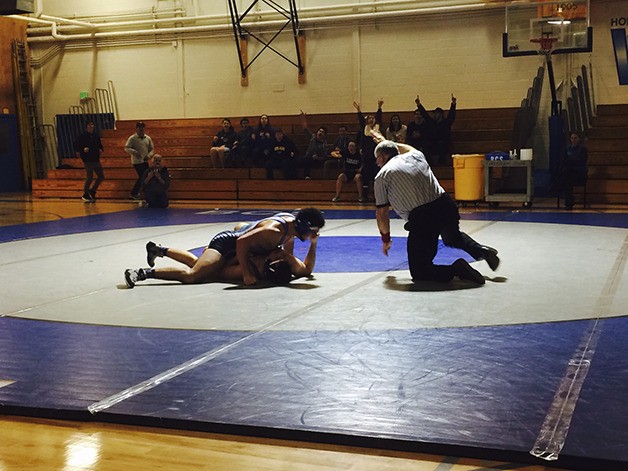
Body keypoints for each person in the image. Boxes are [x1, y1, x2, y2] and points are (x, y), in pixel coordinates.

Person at [371, 133, 500, 285]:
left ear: (381, 157)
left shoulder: (382, 176)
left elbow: (382, 213)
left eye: (377, 159)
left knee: (420, 272)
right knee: (452, 237)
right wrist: (387, 141)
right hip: (446, 205)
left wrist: (386, 239)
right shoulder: (416, 155)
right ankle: (483, 251)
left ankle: (457, 269)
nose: (377, 163)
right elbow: (403, 148)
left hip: (423, 218)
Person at [124, 207, 325, 288]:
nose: (312, 236)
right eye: (312, 232)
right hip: (228, 244)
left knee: (199, 264)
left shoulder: (290, 227)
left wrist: (313, 245)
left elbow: (292, 260)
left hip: (242, 245)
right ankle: (141, 273)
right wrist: (247, 273)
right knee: (194, 275)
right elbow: (241, 242)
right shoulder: (274, 231)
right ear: (304, 226)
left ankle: (160, 250)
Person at [354, 99, 383, 200]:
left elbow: (379, 117)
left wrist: (379, 107)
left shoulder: (377, 129)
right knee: (365, 177)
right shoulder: (365, 129)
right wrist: (358, 110)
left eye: (373, 118)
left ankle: (378, 196)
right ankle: (364, 196)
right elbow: (361, 120)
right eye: (369, 118)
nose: (371, 119)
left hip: (376, 157)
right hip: (367, 157)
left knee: (377, 176)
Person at [416, 94, 456, 166]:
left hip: (443, 145)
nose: (434, 115)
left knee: (443, 144)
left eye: (436, 113)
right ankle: (430, 162)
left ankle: (441, 163)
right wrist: (419, 105)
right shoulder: (432, 123)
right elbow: (425, 115)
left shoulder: (446, 123)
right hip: (434, 144)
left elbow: (451, 115)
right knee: (425, 143)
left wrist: (453, 104)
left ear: (440, 114)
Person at [73, 120, 104, 202]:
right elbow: (76, 145)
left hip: (96, 158)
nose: (91, 127)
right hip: (88, 159)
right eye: (89, 125)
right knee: (90, 177)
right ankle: (86, 193)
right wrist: (82, 149)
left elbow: (100, 144)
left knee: (101, 176)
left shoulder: (95, 136)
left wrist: (100, 149)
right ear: (86, 127)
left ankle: (93, 190)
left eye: (92, 125)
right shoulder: (82, 136)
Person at [557, 131, 589, 210]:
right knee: (565, 174)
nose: (573, 140)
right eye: (572, 138)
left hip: (579, 173)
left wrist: (570, 161)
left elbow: (580, 161)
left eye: (575, 138)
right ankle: (569, 202)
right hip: (568, 172)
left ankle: (569, 202)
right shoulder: (567, 149)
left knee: (566, 174)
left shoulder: (583, 149)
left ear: (579, 139)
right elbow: (563, 160)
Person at [124, 121, 154, 200]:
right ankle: (134, 192)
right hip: (137, 161)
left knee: (145, 177)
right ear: (136, 128)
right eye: (139, 127)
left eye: (142, 127)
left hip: (145, 160)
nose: (141, 129)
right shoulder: (132, 138)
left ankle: (143, 192)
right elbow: (126, 148)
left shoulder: (148, 138)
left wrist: (149, 155)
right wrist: (134, 152)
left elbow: (152, 149)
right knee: (142, 176)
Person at [299, 110, 329, 180]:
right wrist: (303, 119)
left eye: (322, 132)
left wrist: (317, 157)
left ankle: (306, 176)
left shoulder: (324, 144)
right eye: (319, 131)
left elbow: (324, 157)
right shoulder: (312, 137)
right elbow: (305, 128)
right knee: (292, 161)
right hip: (306, 158)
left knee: (307, 160)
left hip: (316, 161)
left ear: (324, 135)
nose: (320, 132)